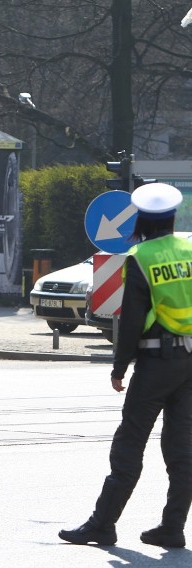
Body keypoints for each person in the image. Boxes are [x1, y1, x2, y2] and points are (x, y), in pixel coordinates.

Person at [59, 183, 192, 549]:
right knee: (182, 448)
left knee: (129, 444)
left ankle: (102, 524)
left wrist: (119, 367)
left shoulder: (141, 256)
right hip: (190, 364)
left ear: (142, 220)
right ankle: (173, 527)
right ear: (173, 217)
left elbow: (131, 320)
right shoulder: (191, 249)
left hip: (157, 363)